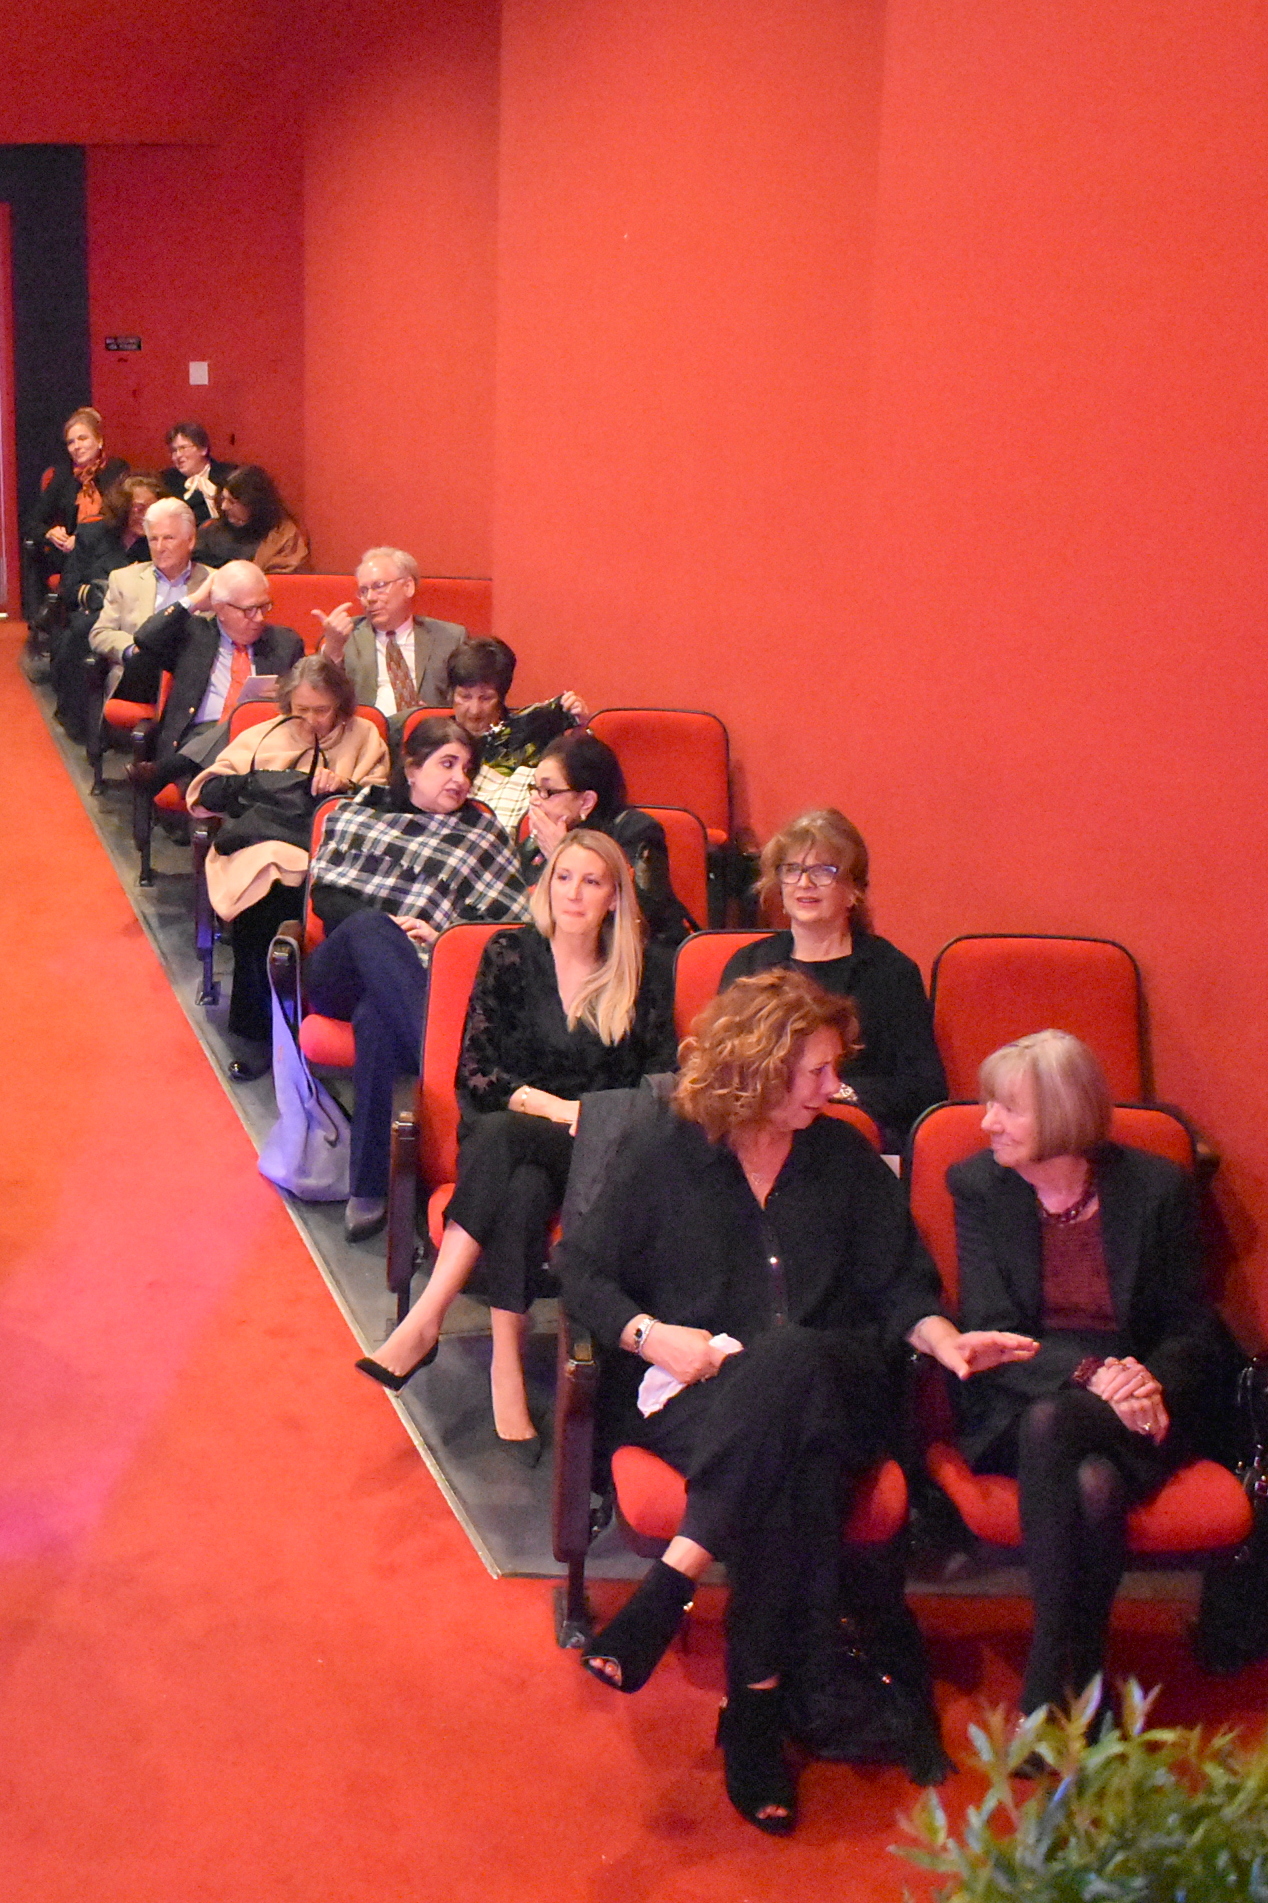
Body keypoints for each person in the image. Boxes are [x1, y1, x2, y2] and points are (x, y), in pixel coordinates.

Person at [552, 970, 1034, 1832]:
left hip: (839, 1383)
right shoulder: (667, 1153)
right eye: (815, 1070)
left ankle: (672, 1584)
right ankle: (758, 1706)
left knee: (795, 1354)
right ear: (756, 1067)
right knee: (792, 1462)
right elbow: (581, 1270)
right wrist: (651, 1337)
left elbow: (901, 1284)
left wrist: (942, 1339)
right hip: (707, 1394)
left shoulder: (844, 1159)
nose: (834, 1086)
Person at [356, 828, 676, 1458]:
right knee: (520, 1179)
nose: (573, 893)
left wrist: (590, 1118)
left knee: (507, 1146)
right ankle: (505, 1365)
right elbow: (476, 1072)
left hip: (595, 1151)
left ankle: (426, 1319)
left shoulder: (644, 971)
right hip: (516, 1128)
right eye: (563, 877)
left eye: (591, 881)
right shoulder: (509, 953)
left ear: (615, 897)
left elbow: (659, 1081)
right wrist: (557, 1108)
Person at [948, 1029, 1228, 1726]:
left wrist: (1146, 1382)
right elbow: (990, 1325)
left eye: (1007, 1108)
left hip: (1138, 1401)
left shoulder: (1157, 1188)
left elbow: (1191, 1325)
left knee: (1086, 1462)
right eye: (988, 1105)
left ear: (1063, 1113)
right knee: (1076, 1457)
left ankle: (1054, 1679)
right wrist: (1091, 1372)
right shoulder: (978, 1185)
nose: (987, 1123)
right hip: (1022, 1394)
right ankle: (1077, 1675)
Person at [303, 717, 530, 1240]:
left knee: (378, 1022)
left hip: (420, 973)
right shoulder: (358, 812)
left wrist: (443, 934)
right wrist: (388, 927)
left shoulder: (480, 834)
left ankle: (370, 1187)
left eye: (467, 769)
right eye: (447, 764)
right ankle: (448, 1072)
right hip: (342, 969)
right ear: (411, 768)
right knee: (369, 927)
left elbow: (505, 928)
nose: (460, 779)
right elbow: (326, 897)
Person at [186, 655, 390, 1080]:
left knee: (326, 898)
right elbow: (206, 793)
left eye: (322, 710)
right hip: (265, 847)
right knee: (268, 894)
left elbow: (385, 803)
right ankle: (262, 1032)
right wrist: (261, 780)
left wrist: (345, 785)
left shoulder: (364, 735)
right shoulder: (265, 734)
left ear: (341, 705)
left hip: (336, 852)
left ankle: (325, 1024)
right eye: (302, 710)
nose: (312, 720)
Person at [720, 808, 946, 1150]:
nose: (804, 883)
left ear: (853, 890)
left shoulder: (890, 972)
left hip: (851, 1142)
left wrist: (836, 1093)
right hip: (759, 1136)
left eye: (823, 871)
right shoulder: (749, 964)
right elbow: (720, 1064)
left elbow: (922, 1087)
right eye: (792, 870)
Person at [117, 561, 303, 785]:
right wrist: (194, 600)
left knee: (241, 723)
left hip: (262, 740)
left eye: (264, 607)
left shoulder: (284, 643)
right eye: (249, 610)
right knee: (228, 754)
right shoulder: (193, 635)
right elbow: (145, 638)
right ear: (220, 608)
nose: (259, 618)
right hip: (199, 735)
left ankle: (171, 769)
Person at [519, 729, 694, 944]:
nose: (535, 800)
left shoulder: (636, 832)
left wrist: (562, 855)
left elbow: (640, 915)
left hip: (638, 951)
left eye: (548, 791)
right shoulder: (538, 840)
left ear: (586, 802)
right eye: (534, 788)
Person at [50, 473, 166, 741]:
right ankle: (80, 722)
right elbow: (69, 587)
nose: (144, 515)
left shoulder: (159, 542)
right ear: (123, 507)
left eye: (151, 508)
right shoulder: (93, 534)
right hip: (95, 613)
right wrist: (99, 596)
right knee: (81, 633)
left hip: (139, 617)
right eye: (138, 508)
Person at [445, 636, 588, 837]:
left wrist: (580, 728)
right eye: (465, 697)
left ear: (502, 698)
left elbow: (582, 778)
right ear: (451, 695)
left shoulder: (534, 732)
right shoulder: (435, 741)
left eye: (486, 698)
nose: (474, 710)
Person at [313, 547, 465, 717]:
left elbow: (468, 700)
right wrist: (333, 650)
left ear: (408, 586)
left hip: (428, 730)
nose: (370, 598)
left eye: (379, 586)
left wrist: (436, 716)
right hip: (366, 729)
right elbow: (318, 695)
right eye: (363, 591)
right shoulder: (345, 636)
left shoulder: (450, 638)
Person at [88, 498, 215, 688]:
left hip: (194, 681)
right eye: (153, 539)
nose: (159, 547)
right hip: (138, 680)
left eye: (168, 538)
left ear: (190, 540)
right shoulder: (124, 579)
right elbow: (100, 633)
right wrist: (134, 650)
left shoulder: (214, 582)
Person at [24, 408, 129, 619]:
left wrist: (81, 538)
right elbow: (32, 522)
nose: (76, 446)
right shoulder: (63, 476)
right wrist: (50, 533)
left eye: (82, 438)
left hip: (108, 548)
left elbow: (119, 517)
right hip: (69, 553)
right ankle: (52, 618)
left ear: (99, 441)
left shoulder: (116, 469)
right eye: (71, 442)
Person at [194, 465, 309, 573]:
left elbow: (285, 578)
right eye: (223, 498)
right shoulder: (210, 530)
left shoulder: (283, 537)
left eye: (232, 502)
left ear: (254, 504)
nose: (224, 506)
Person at [163, 422, 234, 525]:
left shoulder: (229, 475)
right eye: (174, 450)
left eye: (183, 448)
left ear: (203, 449)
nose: (178, 455)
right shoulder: (167, 482)